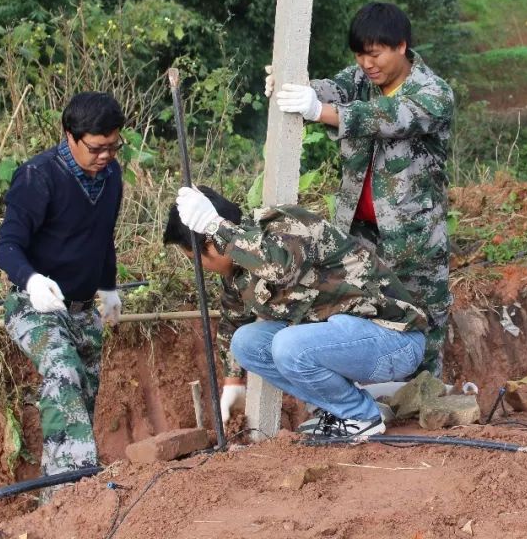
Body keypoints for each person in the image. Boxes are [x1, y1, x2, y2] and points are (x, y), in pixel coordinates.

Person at [266, 2, 454, 377]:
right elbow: (332, 89)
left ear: (400, 46)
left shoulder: (432, 93)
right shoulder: (360, 80)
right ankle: (373, 395)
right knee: (361, 314)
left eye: (374, 54)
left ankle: (424, 400)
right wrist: (296, 87)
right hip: (360, 235)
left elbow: (388, 118)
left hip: (413, 240)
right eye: (360, 55)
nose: (367, 64)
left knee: (422, 321)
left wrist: (318, 110)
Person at [165, 185, 428, 438]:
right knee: (247, 342)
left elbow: (281, 267)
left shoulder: (283, 225)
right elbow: (233, 321)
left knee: (288, 344)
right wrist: (233, 381)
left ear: (211, 244)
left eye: (194, 259)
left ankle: (360, 416)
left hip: (395, 340)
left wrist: (217, 227)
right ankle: (347, 410)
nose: (198, 267)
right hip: (353, 345)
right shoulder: (237, 273)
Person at [0, 92, 126, 479]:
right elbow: (6, 246)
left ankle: (59, 501)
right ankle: (81, 483)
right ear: (70, 135)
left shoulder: (112, 177)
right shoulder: (38, 177)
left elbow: (103, 236)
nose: (105, 156)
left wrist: (108, 286)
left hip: (83, 311)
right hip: (34, 307)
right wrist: (31, 280)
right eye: (97, 147)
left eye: (114, 146)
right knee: (63, 373)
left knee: (80, 400)